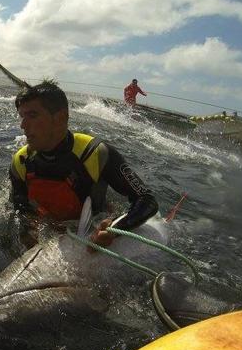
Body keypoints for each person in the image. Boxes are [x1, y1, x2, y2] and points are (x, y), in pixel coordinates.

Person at [9, 81, 158, 247]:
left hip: (91, 227)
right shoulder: (20, 162)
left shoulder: (96, 153)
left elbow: (146, 199)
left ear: (60, 118)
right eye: (22, 116)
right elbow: (21, 209)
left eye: (32, 115)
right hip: (52, 228)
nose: (23, 125)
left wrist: (113, 229)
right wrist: (29, 231)